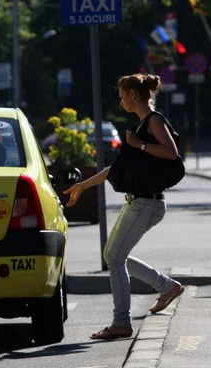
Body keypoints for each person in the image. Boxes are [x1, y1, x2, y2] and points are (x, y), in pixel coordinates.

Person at [63, 73, 184, 340]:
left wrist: (139, 144)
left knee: (115, 257)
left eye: (121, 96)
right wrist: (83, 185)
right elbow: (116, 170)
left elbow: (171, 152)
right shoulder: (142, 126)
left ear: (131, 94)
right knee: (114, 255)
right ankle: (167, 287)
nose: (120, 102)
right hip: (140, 202)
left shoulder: (153, 121)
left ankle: (121, 323)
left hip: (146, 203)